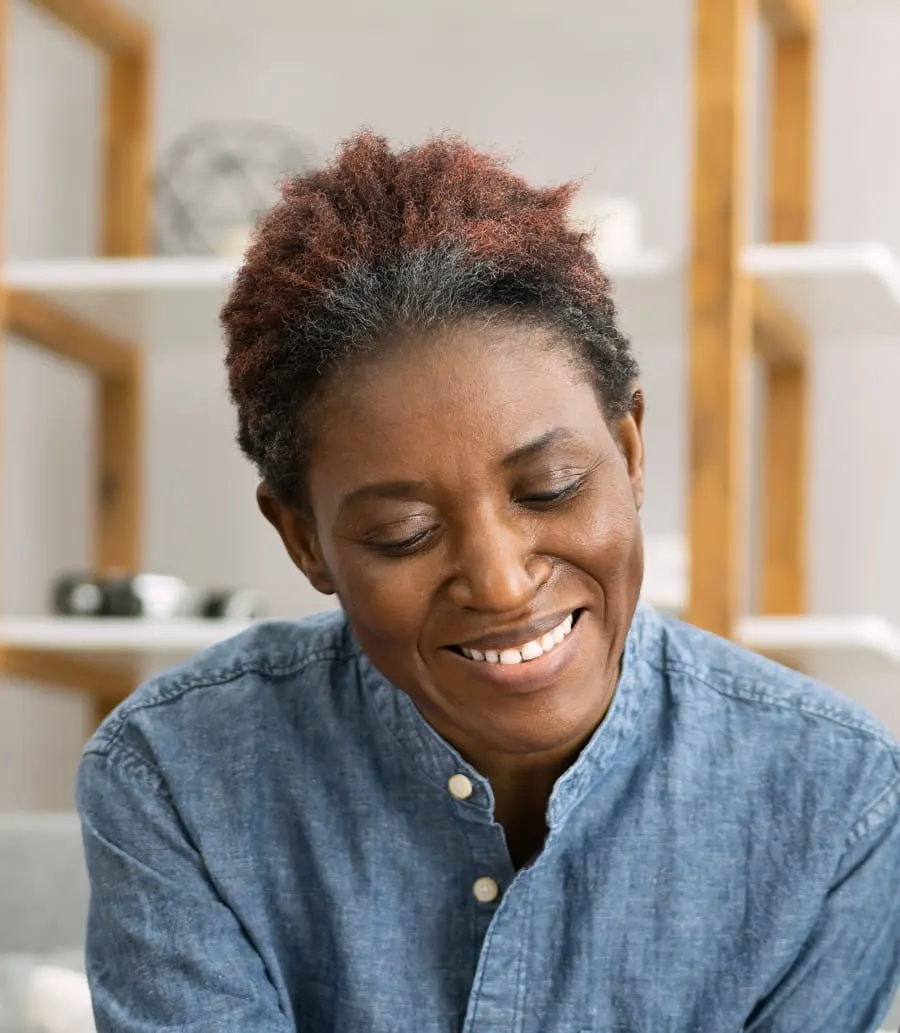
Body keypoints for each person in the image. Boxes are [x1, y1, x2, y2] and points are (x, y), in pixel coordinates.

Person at [77, 132, 900, 1033]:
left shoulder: (833, 799)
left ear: (629, 451)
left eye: (550, 488)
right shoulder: (176, 779)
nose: (503, 584)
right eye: (405, 533)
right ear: (304, 540)